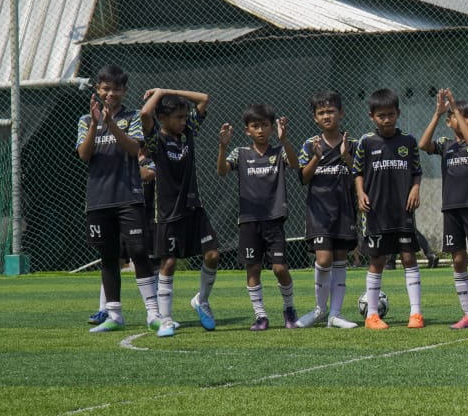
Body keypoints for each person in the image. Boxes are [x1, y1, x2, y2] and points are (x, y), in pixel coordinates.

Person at [76, 64, 159, 332]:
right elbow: (84, 155)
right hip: (99, 200)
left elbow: (134, 148)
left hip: (128, 196)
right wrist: (96, 124)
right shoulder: (85, 120)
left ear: (124, 90)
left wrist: (110, 123)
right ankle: (114, 315)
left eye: (116, 89)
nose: (111, 93)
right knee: (108, 256)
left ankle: (153, 313)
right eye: (106, 88)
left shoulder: (132, 116)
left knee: (137, 251)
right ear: (98, 89)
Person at [140, 87, 221, 337]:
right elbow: (145, 113)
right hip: (167, 211)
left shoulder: (188, 133)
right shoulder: (156, 138)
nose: (184, 121)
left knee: (213, 256)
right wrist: (158, 96)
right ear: (163, 119)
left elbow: (205, 98)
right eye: (178, 117)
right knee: (170, 262)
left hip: (193, 207)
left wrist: (167, 90)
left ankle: (202, 301)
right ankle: (165, 319)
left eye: (185, 117)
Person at [419, 88, 468, 329]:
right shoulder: (445, 145)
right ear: (448, 122)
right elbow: (424, 144)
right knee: (458, 259)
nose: (459, 120)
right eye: (455, 117)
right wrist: (437, 113)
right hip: (451, 208)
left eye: (465, 117)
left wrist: (454, 107)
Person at [218, 103, 302, 331]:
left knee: (279, 269)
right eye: (255, 126)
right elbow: (222, 171)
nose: (261, 130)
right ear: (247, 130)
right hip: (248, 220)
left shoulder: (279, 152)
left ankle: (289, 308)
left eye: (265, 125)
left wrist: (285, 140)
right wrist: (223, 147)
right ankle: (261, 316)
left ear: (272, 128)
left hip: (274, 219)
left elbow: (295, 165)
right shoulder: (240, 153)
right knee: (252, 268)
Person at [352, 88, 425, 329]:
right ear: (371, 116)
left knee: (408, 257)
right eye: (381, 115)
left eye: (390, 114)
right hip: (376, 212)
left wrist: (415, 189)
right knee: (377, 259)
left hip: (402, 210)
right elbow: (358, 172)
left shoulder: (409, 141)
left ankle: (416, 313)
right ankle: (372, 315)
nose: (386, 119)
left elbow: (416, 171)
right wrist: (361, 193)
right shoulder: (366, 142)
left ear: (398, 113)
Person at [294, 90, 361, 329]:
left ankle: (335, 314)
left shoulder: (353, 144)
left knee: (341, 258)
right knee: (323, 259)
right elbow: (302, 178)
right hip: (319, 212)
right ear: (314, 117)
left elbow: (361, 175)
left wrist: (346, 157)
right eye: (321, 112)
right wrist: (316, 158)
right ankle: (320, 310)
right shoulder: (309, 144)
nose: (326, 116)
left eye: (331, 111)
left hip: (344, 211)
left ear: (341, 113)